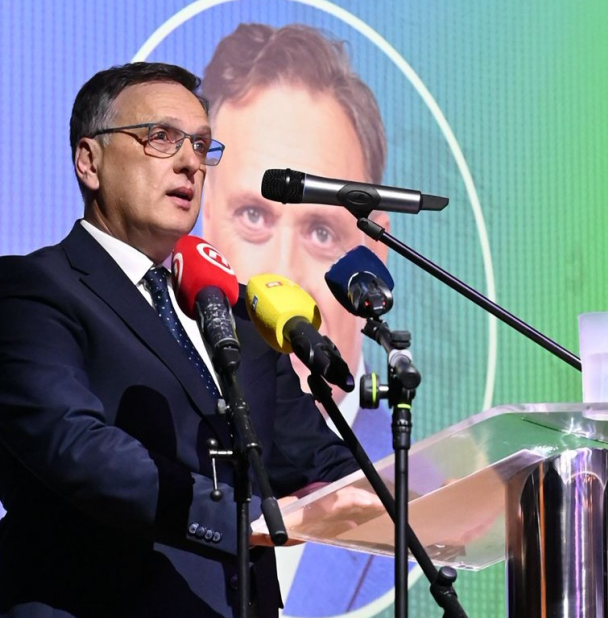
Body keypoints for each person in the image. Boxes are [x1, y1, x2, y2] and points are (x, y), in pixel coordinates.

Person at [0, 62, 380, 618]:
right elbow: (74, 447)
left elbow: (312, 455)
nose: (190, 161)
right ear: (89, 161)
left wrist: (415, 491)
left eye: (202, 145)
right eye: (161, 137)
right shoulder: (32, 289)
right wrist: (247, 520)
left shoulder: (238, 313)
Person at [200, 24, 401, 615]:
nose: (284, 273)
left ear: (375, 250)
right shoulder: (173, 423)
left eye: (320, 231)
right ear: (204, 221)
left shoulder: (410, 481)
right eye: (253, 217)